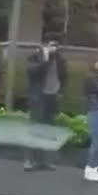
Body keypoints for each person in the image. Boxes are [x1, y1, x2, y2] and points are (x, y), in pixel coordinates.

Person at [25, 36, 67, 170]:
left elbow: (64, 76)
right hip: (38, 97)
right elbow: (31, 72)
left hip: (51, 97)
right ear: (44, 46)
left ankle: (45, 160)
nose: (54, 48)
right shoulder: (35, 57)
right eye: (51, 45)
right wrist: (45, 59)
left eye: (56, 46)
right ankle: (29, 159)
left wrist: (60, 91)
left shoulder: (59, 59)